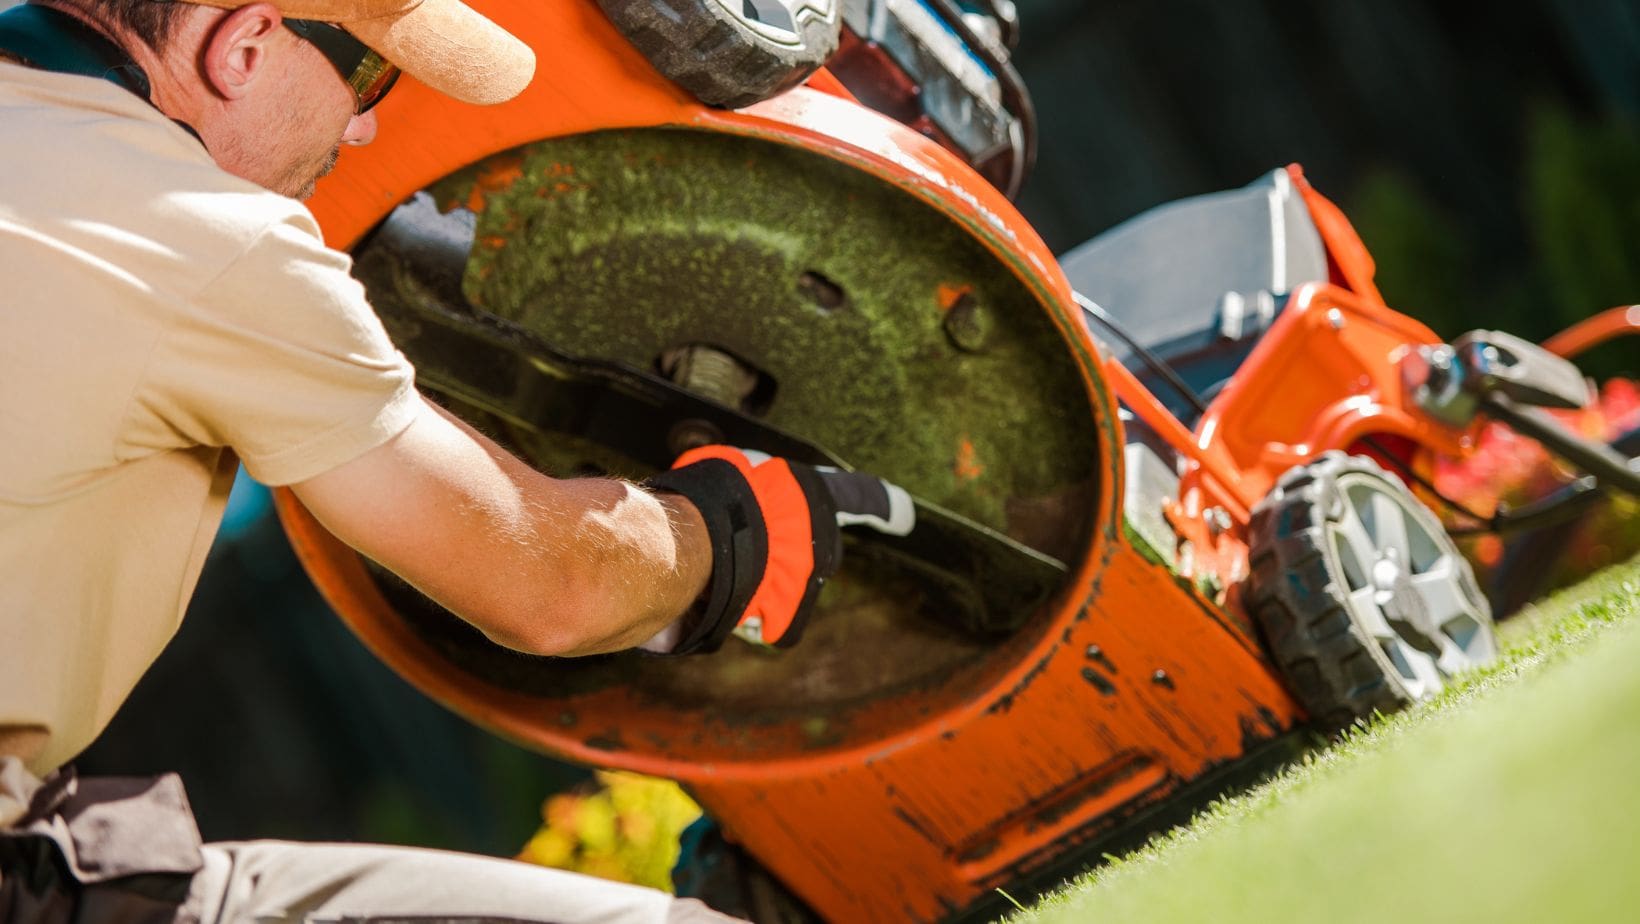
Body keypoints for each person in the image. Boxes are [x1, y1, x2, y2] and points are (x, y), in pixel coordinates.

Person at [0, 0, 912, 919]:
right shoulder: (194, 231)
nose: (364, 123)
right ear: (241, 46)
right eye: (369, 76)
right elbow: (555, 587)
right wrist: (729, 531)